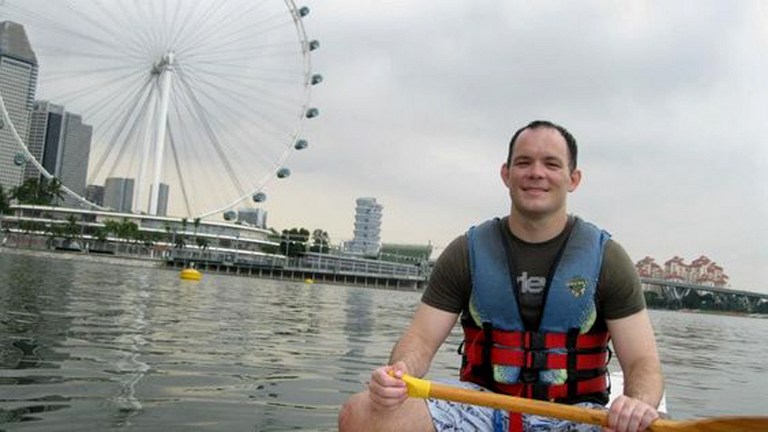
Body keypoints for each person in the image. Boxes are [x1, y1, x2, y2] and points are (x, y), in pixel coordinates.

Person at [338, 120, 664, 432]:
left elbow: (642, 362)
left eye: (551, 164)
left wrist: (637, 404)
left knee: (645, 427)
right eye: (524, 162)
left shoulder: (608, 258)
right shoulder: (466, 252)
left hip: (577, 413)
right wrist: (401, 373)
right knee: (360, 412)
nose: (536, 173)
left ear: (573, 179)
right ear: (506, 174)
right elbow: (420, 340)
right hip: (482, 407)